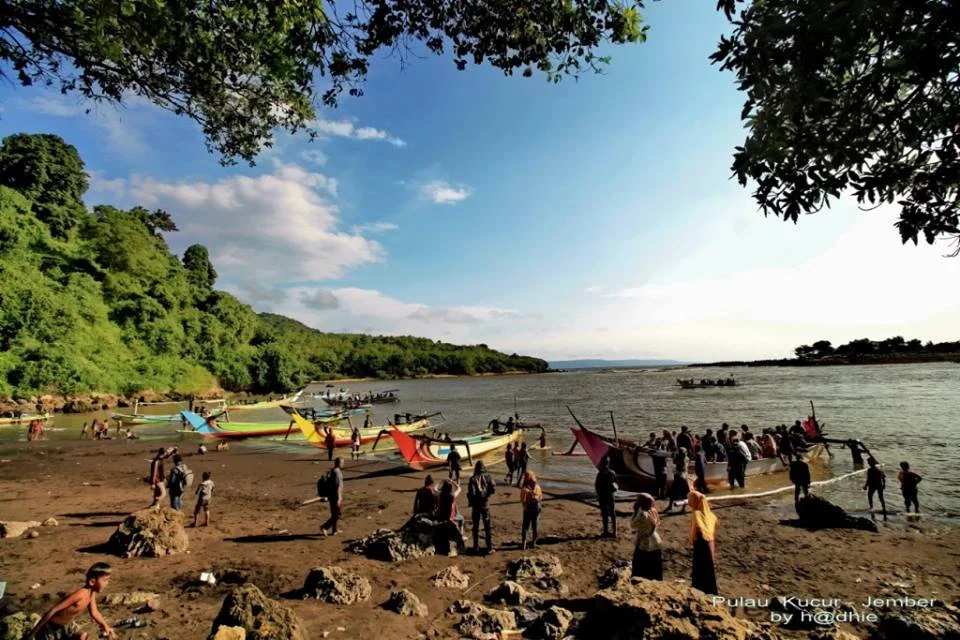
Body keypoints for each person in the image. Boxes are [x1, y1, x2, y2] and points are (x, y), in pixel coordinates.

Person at [26, 562, 117, 640]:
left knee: (83, 636)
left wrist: (105, 626)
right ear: (92, 582)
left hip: (67, 625)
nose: (107, 583)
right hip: (51, 628)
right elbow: (53, 610)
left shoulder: (91, 594)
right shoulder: (80, 595)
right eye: (105, 580)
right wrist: (32, 634)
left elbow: (95, 613)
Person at [688, 489, 718, 595]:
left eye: (690, 499)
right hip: (709, 542)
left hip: (700, 543)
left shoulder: (696, 513)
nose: (688, 501)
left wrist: (692, 540)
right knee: (708, 568)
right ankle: (710, 590)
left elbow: (696, 529)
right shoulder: (710, 514)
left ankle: (699, 589)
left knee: (699, 568)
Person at [630, 493, 662, 580]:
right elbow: (658, 522)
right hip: (655, 539)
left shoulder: (642, 514)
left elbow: (632, 525)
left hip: (645, 542)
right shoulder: (653, 510)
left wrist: (636, 512)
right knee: (654, 568)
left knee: (640, 567)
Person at [467, 460, 496, 555]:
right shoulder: (488, 477)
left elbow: (471, 493)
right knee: (487, 526)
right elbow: (493, 489)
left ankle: (476, 547)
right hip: (485, 505)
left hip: (476, 506)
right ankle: (489, 547)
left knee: (475, 527)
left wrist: (471, 500)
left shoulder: (472, 479)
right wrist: (487, 494)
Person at [434, 479, 464, 556]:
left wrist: (441, 481)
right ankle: (461, 535)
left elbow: (435, 488)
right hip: (449, 518)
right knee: (461, 519)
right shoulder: (452, 496)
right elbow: (459, 489)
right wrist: (453, 482)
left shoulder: (440, 494)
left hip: (440, 517)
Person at [595, 455, 619, 538]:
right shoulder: (612, 473)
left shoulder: (600, 474)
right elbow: (616, 483)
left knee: (604, 513)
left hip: (603, 495)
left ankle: (606, 531)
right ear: (608, 463)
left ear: (602, 463)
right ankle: (615, 532)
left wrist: (598, 495)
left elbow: (597, 486)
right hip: (610, 495)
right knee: (612, 512)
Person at [519, 470, 543, 550]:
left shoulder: (525, 488)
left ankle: (524, 544)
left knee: (525, 526)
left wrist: (524, 506)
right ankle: (534, 543)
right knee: (535, 526)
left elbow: (522, 499)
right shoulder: (537, 487)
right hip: (536, 508)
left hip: (528, 508)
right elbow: (540, 497)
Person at [321, 458, 344, 535]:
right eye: (342, 462)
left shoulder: (333, 471)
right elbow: (337, 486)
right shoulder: (337, 472)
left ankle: (334, 530)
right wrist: (339, 498)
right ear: (338, 463)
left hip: (331, 495)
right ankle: (325, 527)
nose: (343, 464)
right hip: (335, 495)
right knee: (338, 514)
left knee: (334, 513)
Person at [665, 448, 689, 513]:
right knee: (684, 493)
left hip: (679, 476)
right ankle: (683, 508)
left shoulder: (678, 459)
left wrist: (673, 454)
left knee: (672, 492)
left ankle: (670, 507)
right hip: (684, 477)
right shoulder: (686, 458)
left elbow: (674, 461)